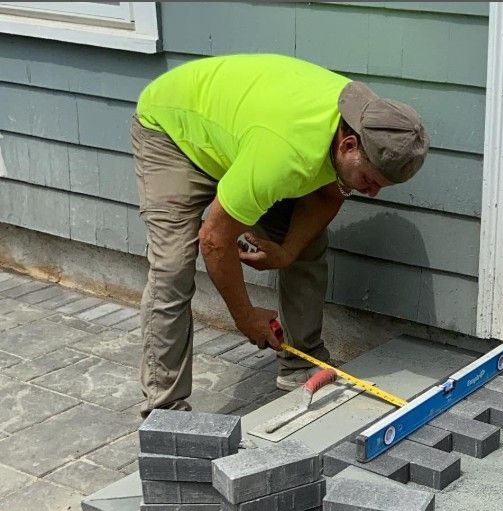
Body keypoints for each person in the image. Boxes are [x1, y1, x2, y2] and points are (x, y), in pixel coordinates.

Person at [131, 53, 429, 416]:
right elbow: (214, 239)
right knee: (173, 267)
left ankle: (300, 362)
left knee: (305, 240)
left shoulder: (370, 124)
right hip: (173, 129)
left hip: (245, 140)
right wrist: (244, 317)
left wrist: (287, 251)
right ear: (347, 146)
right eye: (368, 181)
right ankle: (165, 410)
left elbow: (328, 192)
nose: (372, 193)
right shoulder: (286, 155)